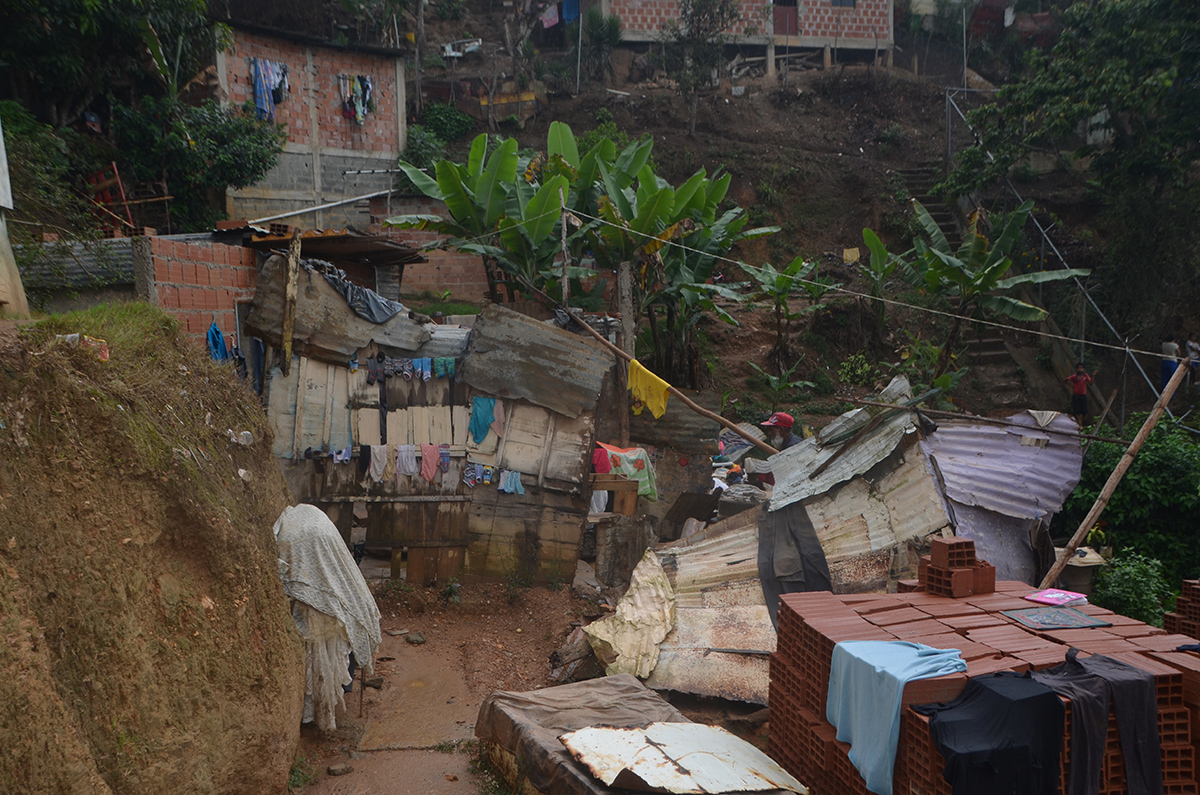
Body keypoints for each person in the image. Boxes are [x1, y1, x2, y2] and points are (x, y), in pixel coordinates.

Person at [1065, 362, 1093, 427]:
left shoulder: (1085, 376)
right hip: (1076, 395)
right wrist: (1072, 386)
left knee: (1084, 411)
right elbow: (1066, 380)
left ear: (1083, 369)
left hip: (1083, 395)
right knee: (1077, 410)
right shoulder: (1074, 377)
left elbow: (1091, 383)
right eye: (1079, 368)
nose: (1080, 369)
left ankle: (1080, 423)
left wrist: (1093, 376)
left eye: (1081, 368)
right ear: (1076, 369)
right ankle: (1080, 424)